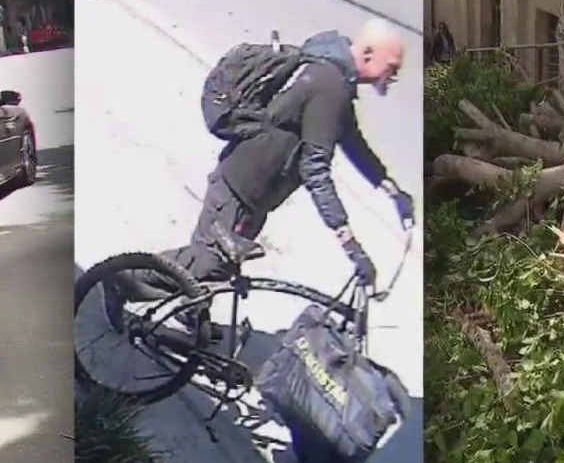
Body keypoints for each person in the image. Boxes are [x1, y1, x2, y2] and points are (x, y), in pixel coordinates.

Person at [102, 18, 416, 339]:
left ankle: (191, 311)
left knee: (213, 256)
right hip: (243, 187)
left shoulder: (334, 79)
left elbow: (352, 142)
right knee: (211, 261)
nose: (394, 77)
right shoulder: (329, 86)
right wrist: (349, 243)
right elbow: (315, 170)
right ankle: (123, 279)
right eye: (391, 67)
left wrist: (393, 192)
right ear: (366, 54)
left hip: (251, 185)